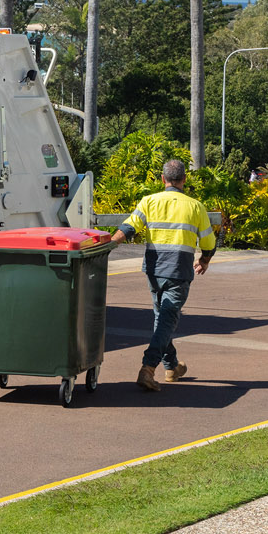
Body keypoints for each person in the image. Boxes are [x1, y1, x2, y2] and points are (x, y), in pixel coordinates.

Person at [109, 159, 216, 392]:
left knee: (162, 318)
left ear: (162, 179)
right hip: (179, 271)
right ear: (184, 180)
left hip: (154, 271)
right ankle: (148, 368)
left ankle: (172, 367)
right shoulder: (195, 206)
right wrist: (205, 260)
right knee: (167, 320)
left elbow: (128, 228)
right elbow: (209, 241)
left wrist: (107, 245)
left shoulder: (149, 201)